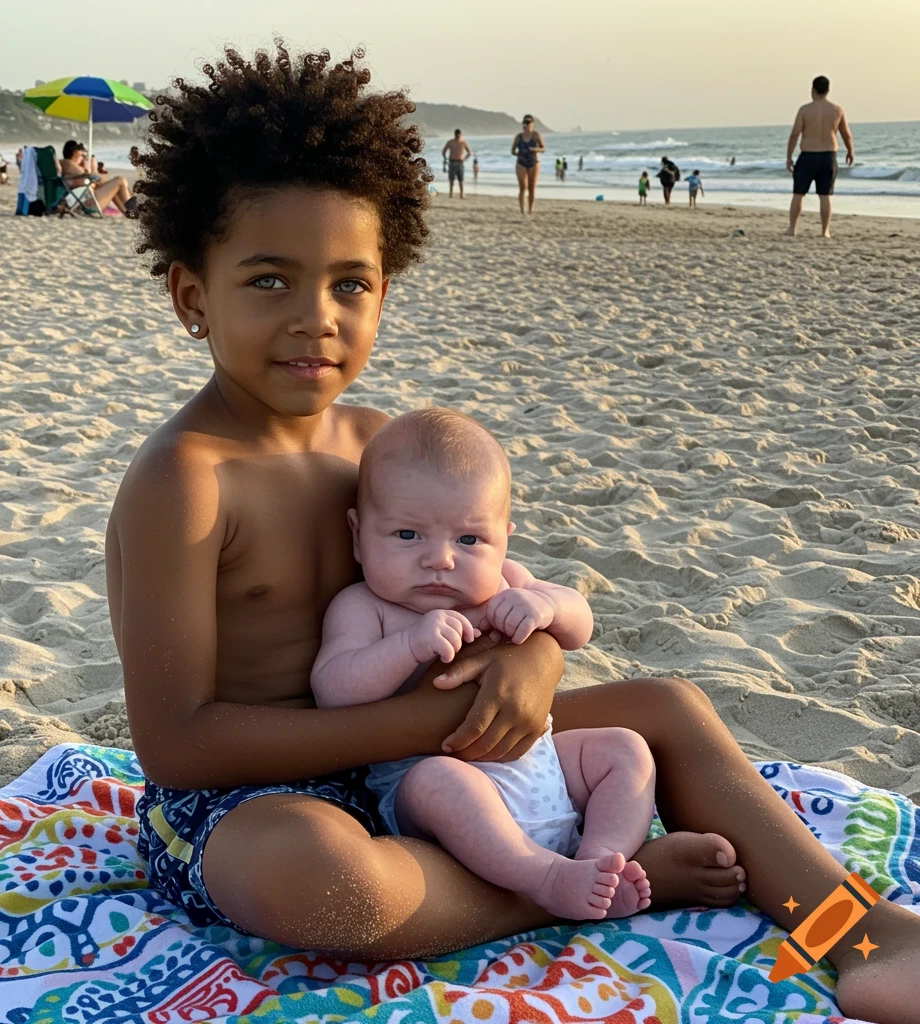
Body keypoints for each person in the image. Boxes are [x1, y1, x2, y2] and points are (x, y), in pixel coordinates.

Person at [109, 43, 920, 1023]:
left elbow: (491, 578)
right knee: (315, 874)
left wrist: (532, 659)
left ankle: (854, 929)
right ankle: (594, 883)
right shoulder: (185, 482)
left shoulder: (380, 446)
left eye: (350, 284)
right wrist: (424, 723)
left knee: (665, 702)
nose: (315, 318)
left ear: (385, 287)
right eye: (270, 281)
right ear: (193, 295)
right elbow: (177, 745)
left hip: (440, 755)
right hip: (258, 797)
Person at [311, 409, 654, 921]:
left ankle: (600, 859)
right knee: (439, 782)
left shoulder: (507, 580)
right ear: (359, 536)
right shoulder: (367, 607)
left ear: (504, 539)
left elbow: (580, 627)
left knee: (624, 749)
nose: (440, 559)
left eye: (469, 540)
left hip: (546, 774)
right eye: (407, 535)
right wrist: (407, 646)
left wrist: (549, 607)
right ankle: (546, 878)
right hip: (439, 802)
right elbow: (332, 689)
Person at [786, 75, 854, 239]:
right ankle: (825, 231)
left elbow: (795, 134)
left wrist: (789, 156)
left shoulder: (805, 110)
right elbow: (846, 134)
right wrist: (850, 151)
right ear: (828, 90)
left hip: (808, 156)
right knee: (825, 196)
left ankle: (792, 228)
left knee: (798, 193)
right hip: (828, 157)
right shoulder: (837, 110)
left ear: (813, 89)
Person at [60, 140, 137, 215]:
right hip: (86, 204)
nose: (83, 159)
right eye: (82, 156)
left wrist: (92, 171)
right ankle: (133, 210)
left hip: (84, 201)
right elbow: (93, 180)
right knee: (120, 180)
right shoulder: (69, 163)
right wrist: (92, 169)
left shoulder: (68, 166)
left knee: (116, 185)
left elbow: (91, 181)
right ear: (75, 154)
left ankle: (129, 211)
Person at [511, 115, 545, 214]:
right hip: (521, 162)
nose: (526, 124)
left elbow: (543, 148)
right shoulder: (519, 136)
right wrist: (520, 154)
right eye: (525, 122)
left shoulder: (536, 135)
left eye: (529, 122)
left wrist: (535, 149)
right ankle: (522, 209)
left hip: (533, 162)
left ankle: (531, 209)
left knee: (532, 187)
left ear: (532, 124)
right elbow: (512, 151)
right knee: (523, 186)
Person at [441, 129, 471, 199]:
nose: (457, 136)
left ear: (460, 134)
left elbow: (469, 152)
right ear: (454, 134)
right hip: (452, 162)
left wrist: (465, 158)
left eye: (458, 135)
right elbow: (443, 151)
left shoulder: (463, 142)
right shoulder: (450, 142)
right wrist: (445, 159)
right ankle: (451, 194)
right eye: (456, 134)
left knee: (461, 179)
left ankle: (461, 194)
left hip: (460, 162)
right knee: (451, 179)